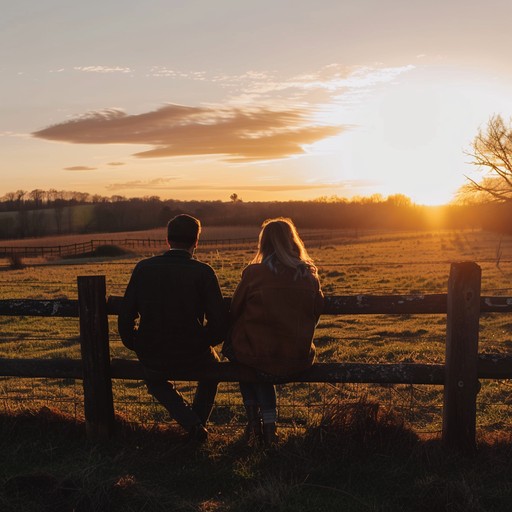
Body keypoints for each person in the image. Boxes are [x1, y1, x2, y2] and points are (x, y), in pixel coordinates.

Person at [118, 214, 227, 442]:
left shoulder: (143, 268)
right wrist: (201, 341)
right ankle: (196, 424)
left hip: (152, 351)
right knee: (214, 370)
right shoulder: (203, 272)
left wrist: (136, 344)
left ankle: (193, 425)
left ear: (167, 240)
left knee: (155, 381)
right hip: (193, 353)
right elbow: (218, 322)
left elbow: (126, 314)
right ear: (196, 242)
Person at [226, 217, 324, 445]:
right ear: (292, 241)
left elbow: (235, 309)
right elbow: (316, 312)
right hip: (297, 357)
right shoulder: (309, 276)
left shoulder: (254, 273)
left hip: (256, 356)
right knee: (257, 359)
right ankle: (268, 430)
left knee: (242, 355)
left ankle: (256, 425)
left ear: (265, 244)